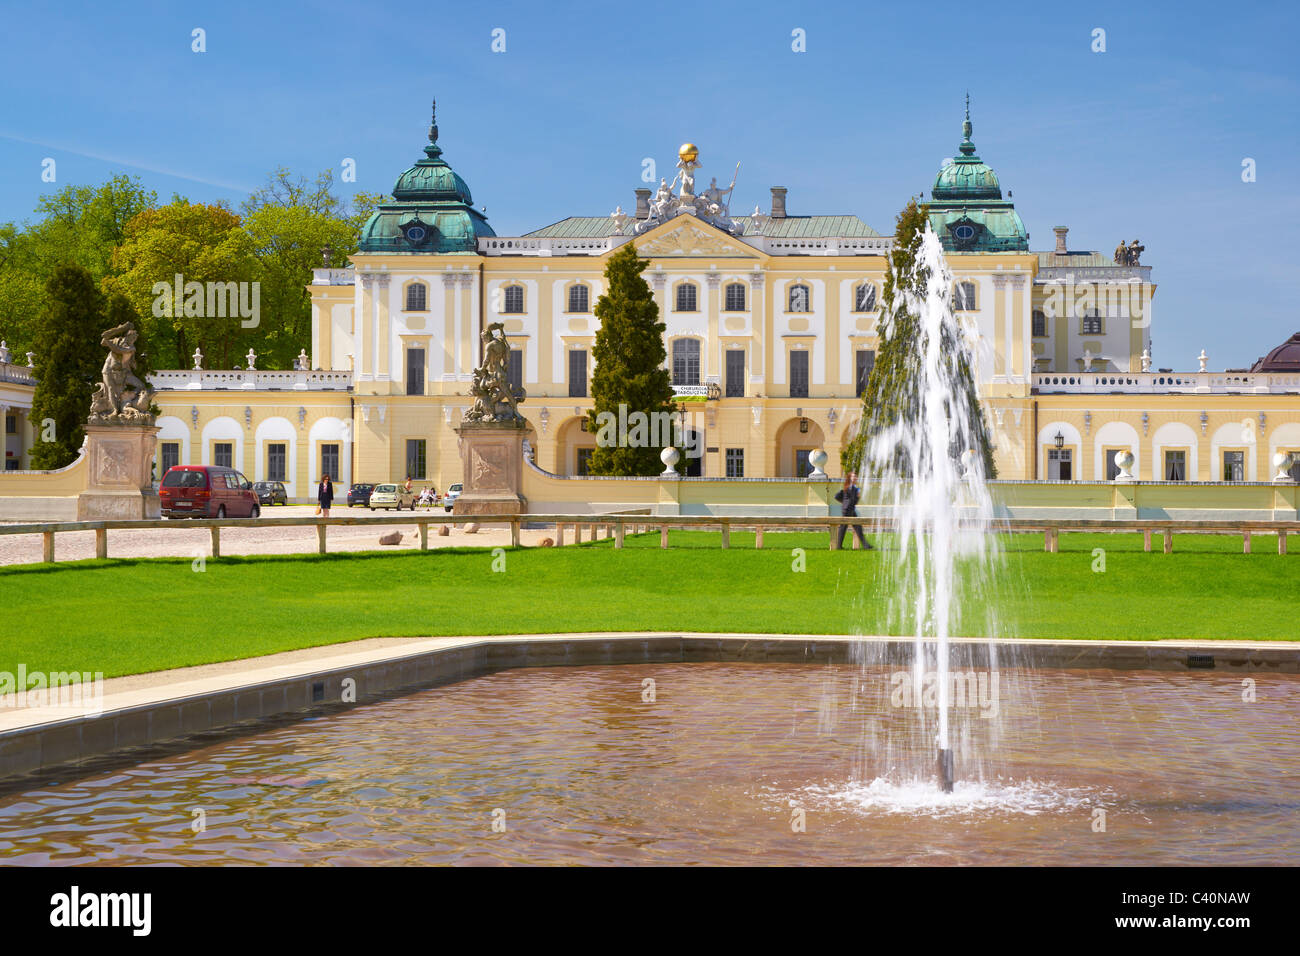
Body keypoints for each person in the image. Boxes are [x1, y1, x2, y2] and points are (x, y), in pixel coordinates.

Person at [833, 472, 872, 550]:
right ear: (849, 478)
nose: (855, 478)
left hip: (850, 510)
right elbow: (838, 497)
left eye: (855, 476)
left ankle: (865, 545)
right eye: (853, 476)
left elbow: (853, 500)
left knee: (854, 527)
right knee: (845, 527)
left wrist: (854, 497)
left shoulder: (852, 487)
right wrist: (846, 502)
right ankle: (839, 546)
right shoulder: (850, 487)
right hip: (848, 510)